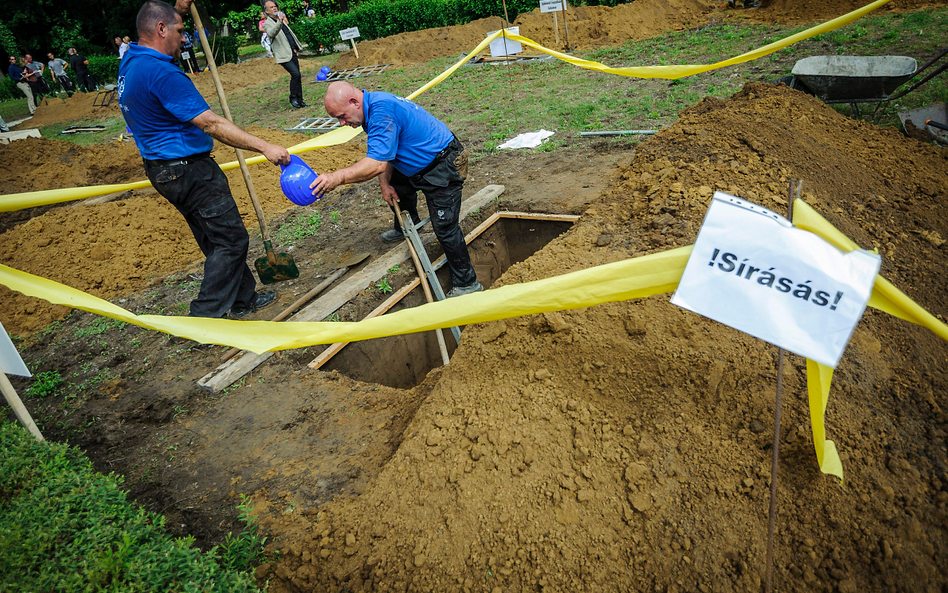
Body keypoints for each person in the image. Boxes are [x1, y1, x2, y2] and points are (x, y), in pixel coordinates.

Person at [119, 0, 291, 318]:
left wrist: (177, 9)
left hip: (163, 169)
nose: (184, 38)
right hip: (190, 171)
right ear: (160, 30)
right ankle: (205, 317)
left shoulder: (131, 62)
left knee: (215, 237)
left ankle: (242, 299)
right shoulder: (162, 73)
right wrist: (265, 146)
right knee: (231, 239)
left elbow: (160, 17)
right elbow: (211, 124)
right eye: (180, 31)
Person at [313, 82, 483, 298]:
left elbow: (375, 164)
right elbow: (386, 152)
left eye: (342, 116)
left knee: (445, 228)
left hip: (443, 165)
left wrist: (337, 177)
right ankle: (407, 222)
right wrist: (385, 184)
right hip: (422, 162)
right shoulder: (370, 108)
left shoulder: (381, 112)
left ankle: (468, 283)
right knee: (397, 184)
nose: (341, 123)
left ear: (354, 102)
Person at [263, 1, 305, 109]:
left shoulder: (281, 19)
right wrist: (279, 22)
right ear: (267, 11)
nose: (274, 8)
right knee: (295, 74)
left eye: (275, 6)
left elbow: (289, 35)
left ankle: (300, 100)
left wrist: (295, 47)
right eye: (271, 7)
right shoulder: (268, 23)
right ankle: (293, 98)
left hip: (291, 52)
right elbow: (272, 33)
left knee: (298, 76)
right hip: (283, 55)